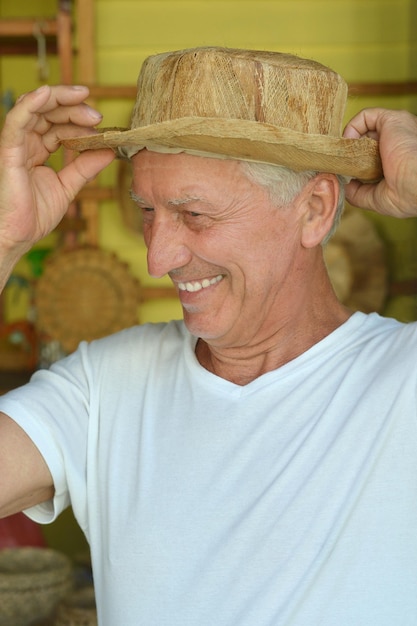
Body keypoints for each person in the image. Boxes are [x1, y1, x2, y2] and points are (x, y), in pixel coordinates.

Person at [0, 46, 416, 625]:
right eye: (147, 210)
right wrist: (4, 237)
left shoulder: (404, 381)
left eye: (194, 214)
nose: (157, 257)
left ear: (315, 208)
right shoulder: (106, 386)